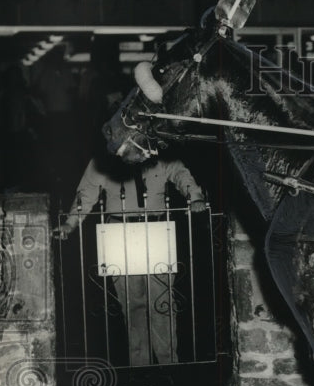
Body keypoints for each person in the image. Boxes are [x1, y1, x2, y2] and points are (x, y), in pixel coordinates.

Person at [54, 153, 207, 366]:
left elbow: (180, 173)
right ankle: (139, 367)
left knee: (162, 302)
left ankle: (170, 365)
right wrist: (71, 223)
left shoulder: (160, 153)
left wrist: (195, 196)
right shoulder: (104, 159)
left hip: (156, 230)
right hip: (119, 232)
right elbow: (87, 192)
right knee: (132, 304)